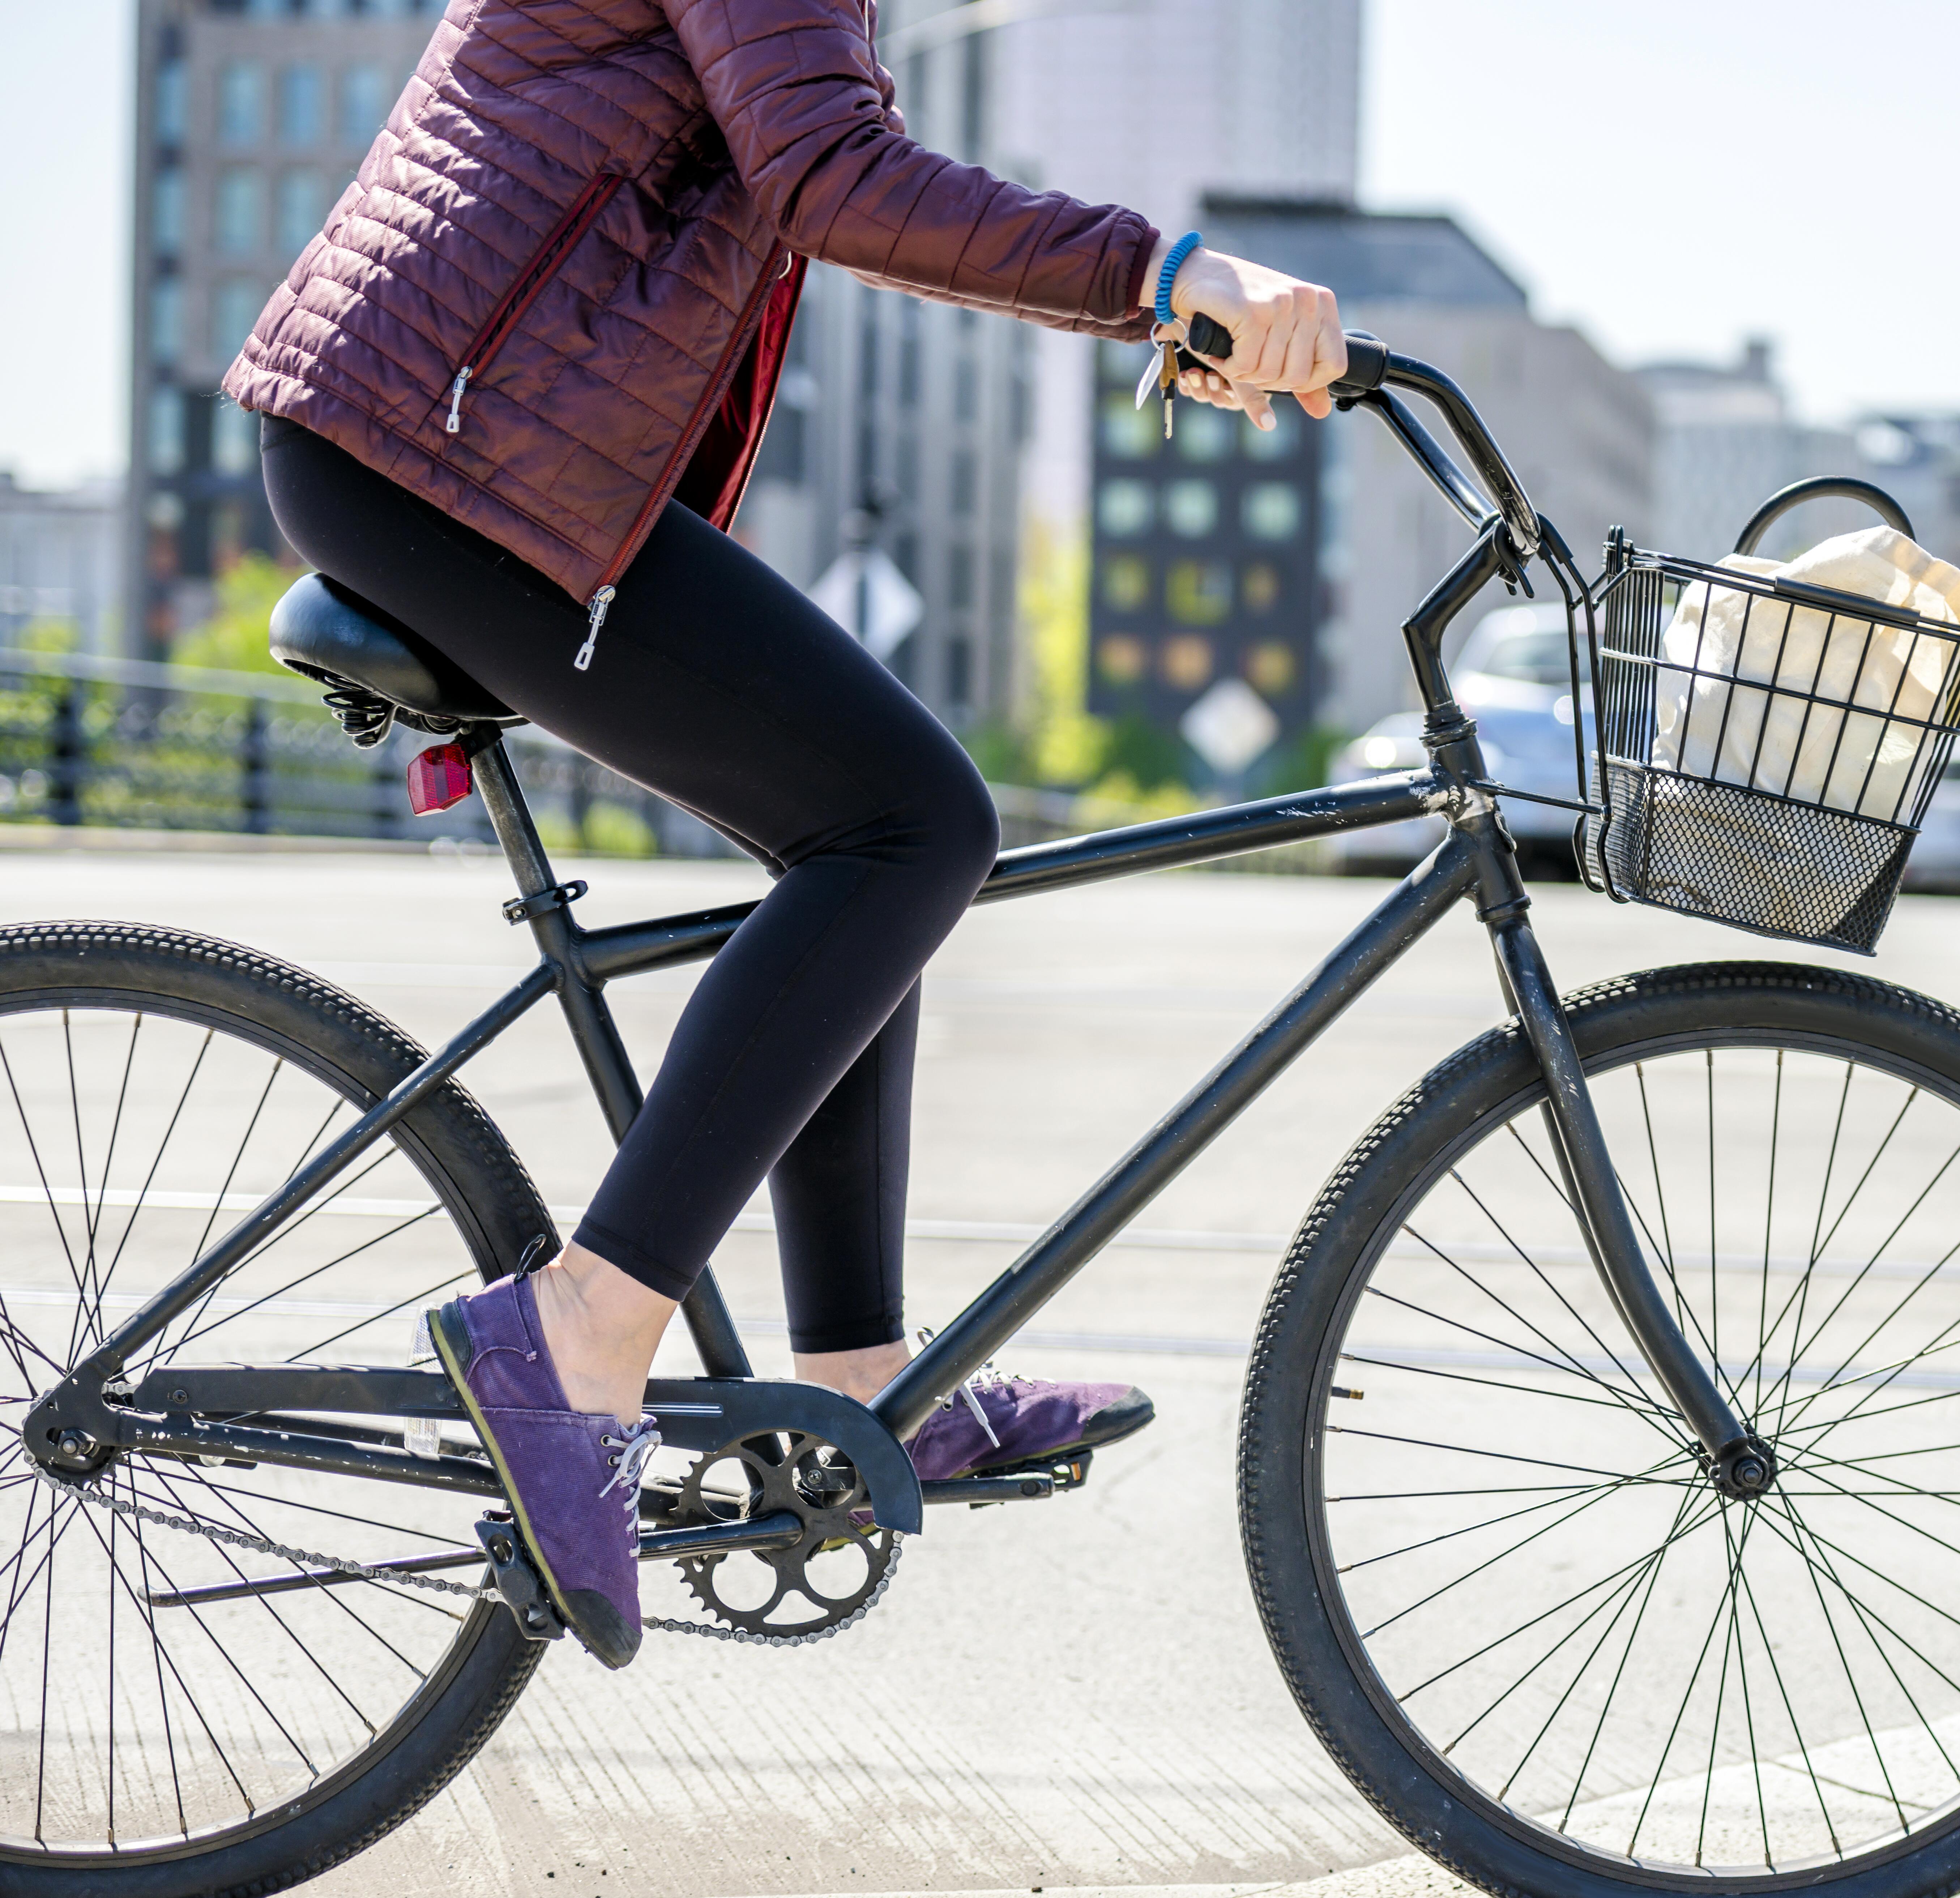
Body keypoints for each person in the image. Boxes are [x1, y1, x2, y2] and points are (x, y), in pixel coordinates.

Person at [227, 0, 1347, 1669]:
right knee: (906, 825)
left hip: (459, 431)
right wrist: (1166, 269)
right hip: (443, 443)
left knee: (863, 828)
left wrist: (1155, 293)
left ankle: (849, 1383)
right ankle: (582, 1327)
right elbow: (831, 176)